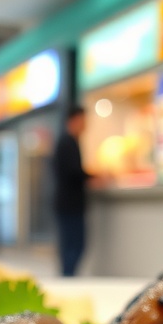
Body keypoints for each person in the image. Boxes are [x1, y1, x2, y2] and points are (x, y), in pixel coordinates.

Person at [52, 105, 90, 277]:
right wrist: (93, 176)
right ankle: (68, 279)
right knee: (74, 246)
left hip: (68, 203)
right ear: (75, 120)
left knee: (71, 246)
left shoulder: (68, 141)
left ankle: (68, 278)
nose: (86, 125)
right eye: (84, 120)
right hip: (70, 204)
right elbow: (73, 172)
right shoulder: (67, 142)